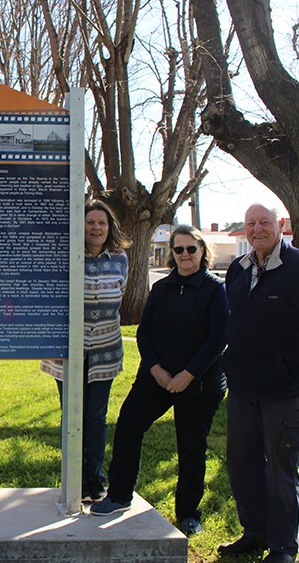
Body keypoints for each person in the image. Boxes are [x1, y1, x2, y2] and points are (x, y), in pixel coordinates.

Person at [218, 204, 299, 563]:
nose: (257, 229)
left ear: (281, 225)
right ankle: (255, 532)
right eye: (250, 224)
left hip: (285, 392)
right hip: (243, 390)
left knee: (281, 469)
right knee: (243, 465)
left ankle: (284, 547)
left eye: (265, 222)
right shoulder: (239, 270)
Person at [90, 226, 228, 536]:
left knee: (191, 446)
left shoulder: (214, 290)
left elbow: (219, 337)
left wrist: (187, 375)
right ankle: (119, 495)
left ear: (203, 251)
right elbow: (144, 332)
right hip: (157, 377)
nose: (184, 255)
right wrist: (157, 370)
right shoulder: (162, 288)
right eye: (178, 250)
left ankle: (189, 512)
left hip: (199, 382)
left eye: (191, 249)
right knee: (128, 425)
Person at [41, 199, 131, 502]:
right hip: (67, 350)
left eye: (102, 223)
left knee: (95, 416)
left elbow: (120, 295)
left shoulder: (120, 259)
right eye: (91, 222)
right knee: (72, 416)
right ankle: (74, 479)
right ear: (81, 225)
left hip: (105, 350)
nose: (96, 228)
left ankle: (94, 478)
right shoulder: (65, 255)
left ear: (110, 228)